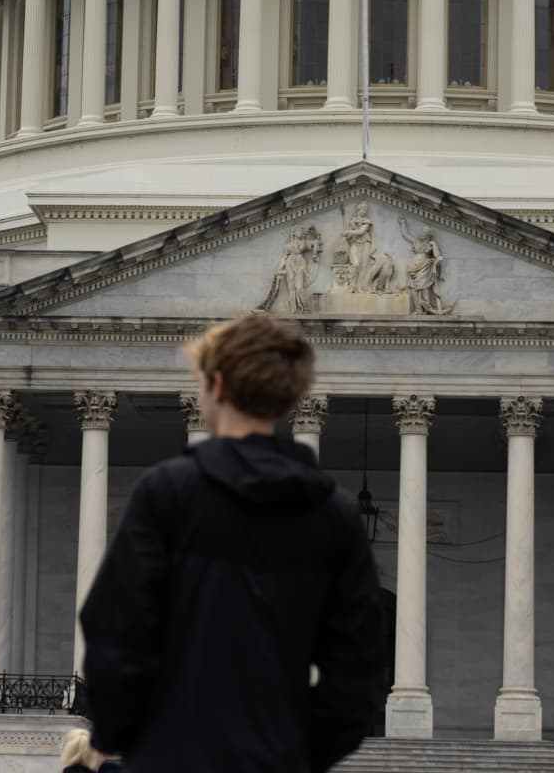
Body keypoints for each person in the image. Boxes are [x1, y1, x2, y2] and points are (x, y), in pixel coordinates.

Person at [80, 312, 388, 773]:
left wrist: (129, 735)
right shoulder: (334, 516)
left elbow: (114, 629)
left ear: (217, 386)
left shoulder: (166, 495)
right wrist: (300, 750)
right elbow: (361, 668)